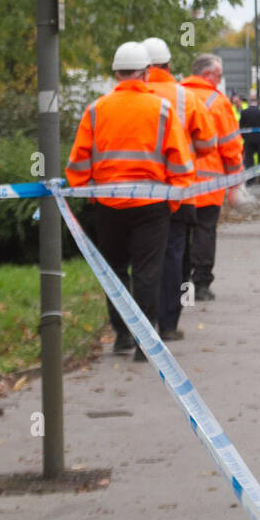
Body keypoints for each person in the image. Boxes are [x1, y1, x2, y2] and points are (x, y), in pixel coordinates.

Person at [66, 40, 193, 359]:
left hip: (108, 204)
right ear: (146, 74)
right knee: (148, 272)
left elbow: (78, 162)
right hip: (152, 206)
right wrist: (173, 201)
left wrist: (88, 194)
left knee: (115, 270)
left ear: (116, 74)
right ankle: (144, 341)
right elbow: (180, 161)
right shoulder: (161, 109)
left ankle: (122, 334)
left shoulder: (97, 109)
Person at [142, 36, 217, 339]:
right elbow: (209, 143)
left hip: (137, 191)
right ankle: (169, 323)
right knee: (174, 254)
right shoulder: (185, 97)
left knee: (142, 258)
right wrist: (188, 153)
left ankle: (137, 325)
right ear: (169, 65)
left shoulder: (125, 96)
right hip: (178, 189)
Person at [178, 54, 244, 301]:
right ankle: (202, 284)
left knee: (181, 235)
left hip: (179, 182)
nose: (220, 80)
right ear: (207, 75)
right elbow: (230, 144)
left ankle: (180, 283)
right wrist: (235, 179)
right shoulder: (218, 102)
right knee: (205, 232)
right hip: (210, 183)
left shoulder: (176, 97)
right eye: (218, 75)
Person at [239, 98, 260, 183]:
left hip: (249, 140)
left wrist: (245, 137)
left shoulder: (245, 113)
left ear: (249, 103)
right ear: (257, 104)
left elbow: (240, 126)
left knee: (249, 161)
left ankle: (250, 180)